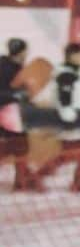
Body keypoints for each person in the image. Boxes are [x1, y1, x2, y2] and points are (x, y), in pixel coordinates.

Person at [35, 43, 80, 192]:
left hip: (76, 118)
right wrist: (69, 117)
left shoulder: (70, 73)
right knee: (69, 155)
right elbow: (64, 99)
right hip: (71, 120)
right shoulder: (66, 75)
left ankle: (79, 181)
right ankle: (36, 177)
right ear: (73, 56)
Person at [0, 37, 38, 191]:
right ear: (21, 51)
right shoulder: (6, 68)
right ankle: (22, 181)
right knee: (18, 146)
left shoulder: (14, 67)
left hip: (13, 112)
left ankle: (22, 179)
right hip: (9, 113)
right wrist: (16, 95)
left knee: (18, 146)